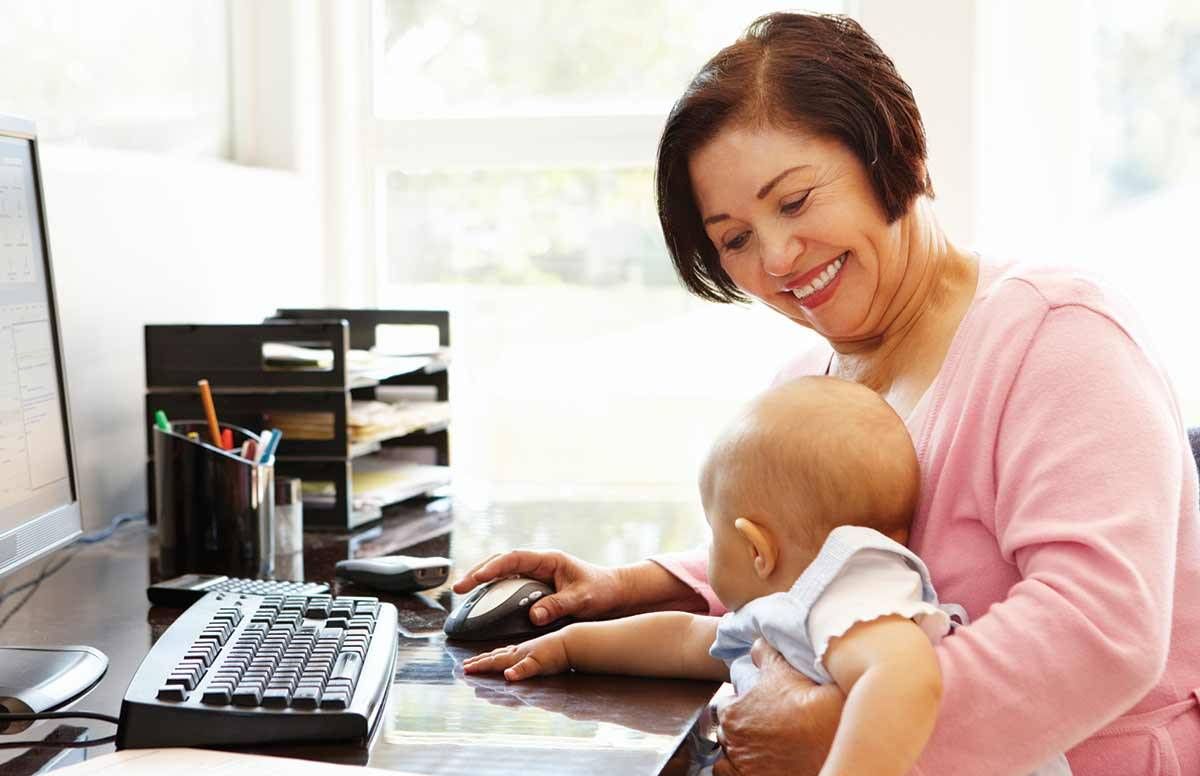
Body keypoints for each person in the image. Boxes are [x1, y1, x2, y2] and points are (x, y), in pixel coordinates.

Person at [454, 12, 1200, 776]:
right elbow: (798, 567)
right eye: (735, 239)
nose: (776, 257)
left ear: (887, 154)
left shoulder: (1057, 336)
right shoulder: (809, 379)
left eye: (796, 201)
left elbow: (1101, 630)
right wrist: (625, 586)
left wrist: (845, 732)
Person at [463, 377, 1070, 776]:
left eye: (713, 533)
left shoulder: (856, 578)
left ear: (757, 547)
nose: (708, 553)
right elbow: (684, 640)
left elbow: (904, 678)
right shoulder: (795, 606)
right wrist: (566, 647)